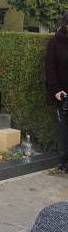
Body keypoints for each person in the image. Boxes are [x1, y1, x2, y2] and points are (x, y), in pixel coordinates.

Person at [45, 11, 68, 171]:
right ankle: (65, 161)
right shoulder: (55, 42)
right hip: (64, 94)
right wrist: (56, 90)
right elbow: (50, 68)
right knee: (65, 131)